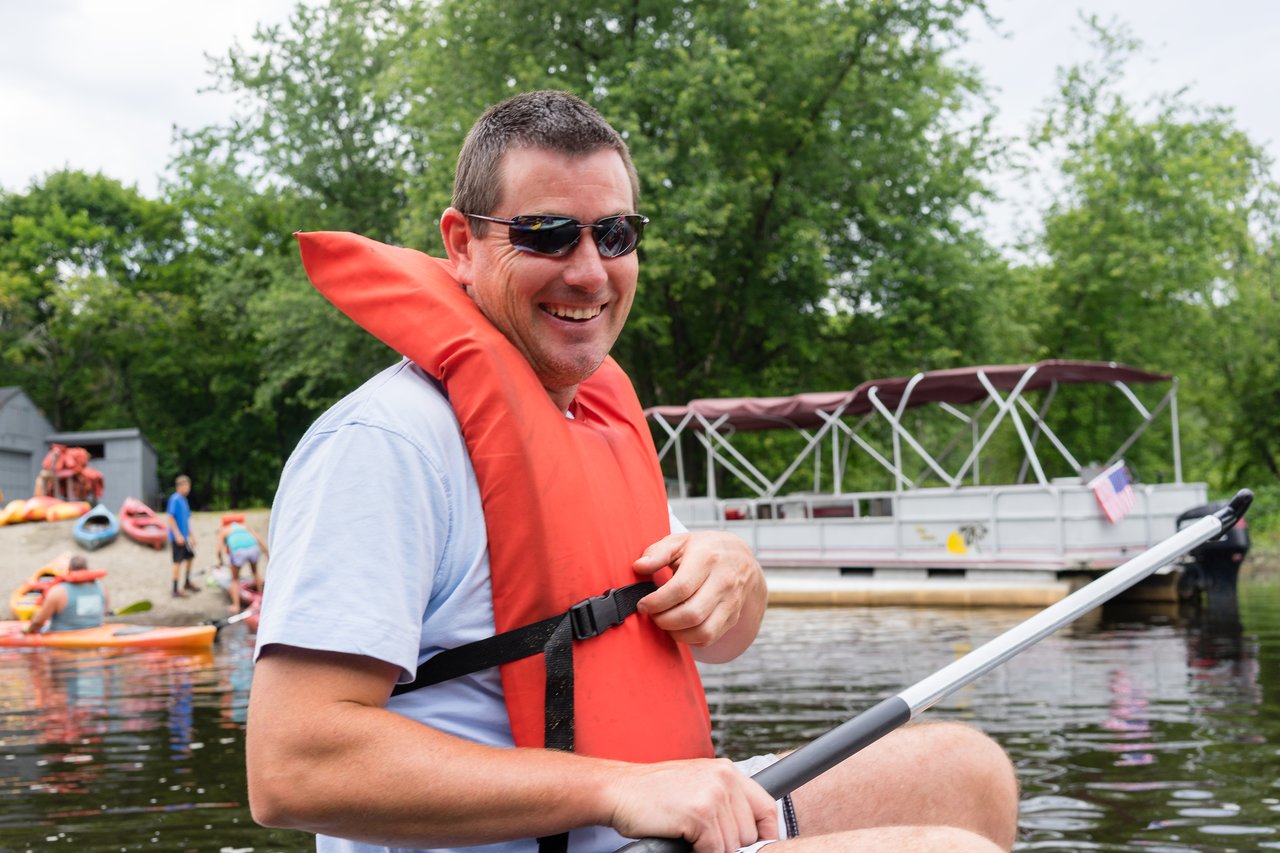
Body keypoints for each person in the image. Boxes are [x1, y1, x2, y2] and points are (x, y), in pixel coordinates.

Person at [247, 91, 1019, 853]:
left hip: (647, 827)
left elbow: (723, 639)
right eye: (546, 234)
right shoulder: (385, 443)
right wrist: (616, 787)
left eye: (615, 234)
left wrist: (736, 574)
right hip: (581, 829)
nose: (589, 272)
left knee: (967, 770)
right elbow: (292, 768)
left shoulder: (591, 421)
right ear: (460, 243)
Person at [23, 555, 109, 634]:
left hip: (62, 638)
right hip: (94, 635)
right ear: (87, 569)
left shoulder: (58, 592)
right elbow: (104, 612)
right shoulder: (102, 589)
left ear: (69, 570)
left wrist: (28, 631)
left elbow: (38, 622)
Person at [216, 514, 269, 613]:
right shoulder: (245, 526)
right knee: (255, 572)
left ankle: (236, 606)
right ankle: (262, 596)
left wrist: (220, 562)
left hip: (238, 551)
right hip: (254, 548)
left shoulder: (224, 530)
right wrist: (267, 554)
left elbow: (219, 550)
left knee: (235, 579)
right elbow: (259, 540)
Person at [166, 474, 200, 598]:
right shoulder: (174, 499)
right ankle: (175, 589)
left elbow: (187, 519)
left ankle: (187, 582)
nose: (188, 488)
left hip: (185, 537)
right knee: (177, 562)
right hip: (177, 538)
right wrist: (177, 535)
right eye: (186, 486)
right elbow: (170, 518)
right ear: (180, 486)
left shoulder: (185, 500)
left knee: (190, 557)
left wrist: (191, 535)